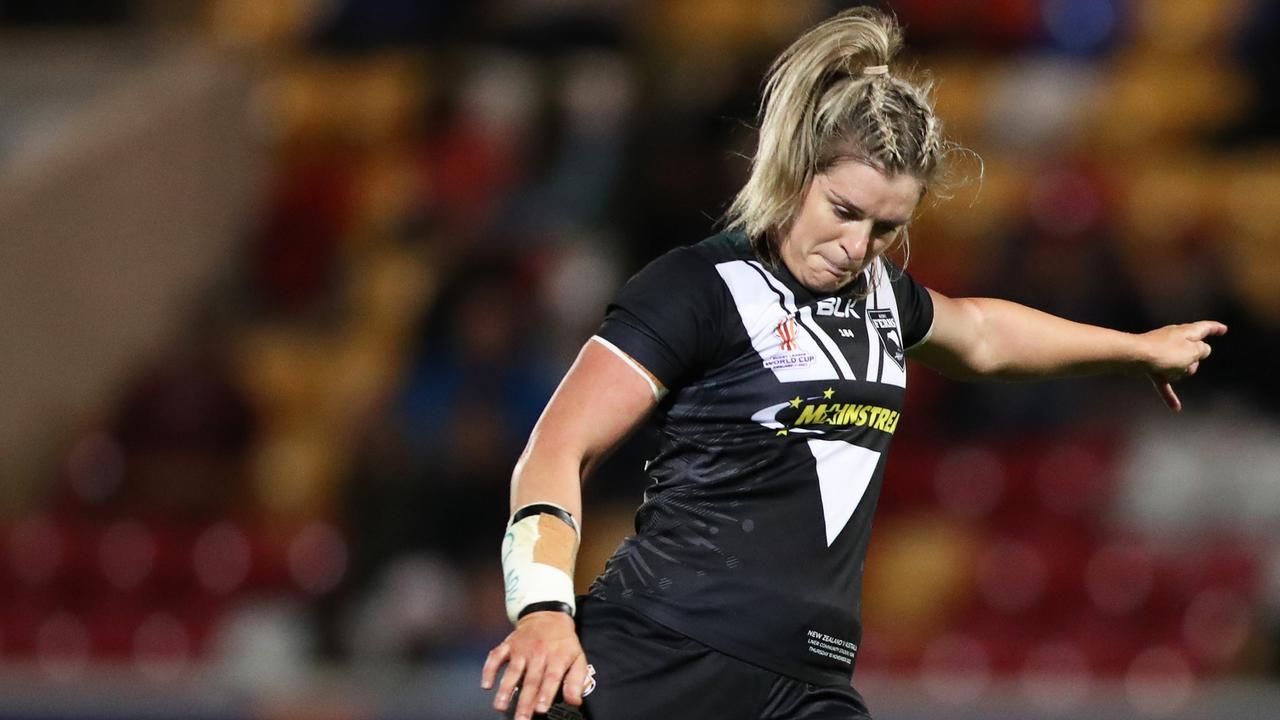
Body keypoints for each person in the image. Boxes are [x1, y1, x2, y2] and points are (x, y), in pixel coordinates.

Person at [480, 8, 1224, 720]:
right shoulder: (696, 289)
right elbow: (555, 451)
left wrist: (1134, 349)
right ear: (795, 170)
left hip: (811, 683)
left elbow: (983, 334)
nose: (858, 245)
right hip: (663, 655)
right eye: (844, 210)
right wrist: (544, 610)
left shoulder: (882, 298)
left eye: (885, 227)